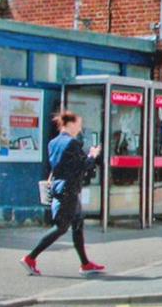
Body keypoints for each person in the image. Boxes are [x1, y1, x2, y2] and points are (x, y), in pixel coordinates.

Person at [20, 111, 105, 276]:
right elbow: (82, 165)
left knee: (78, 224)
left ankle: (85, 264)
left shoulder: (53, 143)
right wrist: (93, 155)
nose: (80, 129)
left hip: (61, 187)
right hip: (69, 190)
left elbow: (60, 165)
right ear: (70, 124)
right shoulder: (72, 143)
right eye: (78, 125)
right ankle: (30, 257)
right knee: (61, 227)